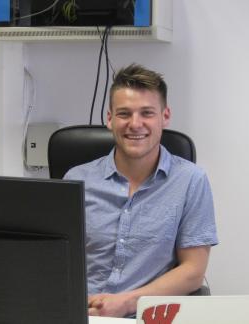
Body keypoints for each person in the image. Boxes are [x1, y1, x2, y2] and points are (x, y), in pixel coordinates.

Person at [64, 64, 218, 318]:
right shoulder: (77, 179)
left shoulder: (191, 181)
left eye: (147, 113)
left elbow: (193, 271)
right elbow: (57, 260)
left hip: (148, 316)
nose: (135, 124)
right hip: (82, 314)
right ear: (110, 119)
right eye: (124, 114)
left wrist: (126, 303)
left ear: (164, 116)